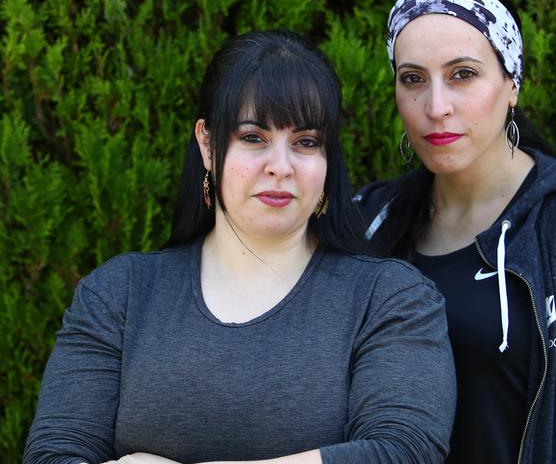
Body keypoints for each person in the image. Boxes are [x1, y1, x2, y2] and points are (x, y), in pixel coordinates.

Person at [24, 31, 456, 464]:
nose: (281, 167)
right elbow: (53, 455)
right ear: (208, 145)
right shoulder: (120, 294)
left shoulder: (389, 300)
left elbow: (405, 451)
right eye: (254, 137)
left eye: (306, 142)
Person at [355, 0, 556, 463]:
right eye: (413, 79)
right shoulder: (373, 220)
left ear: (512, 82)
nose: (436, 107)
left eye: (463, 74)